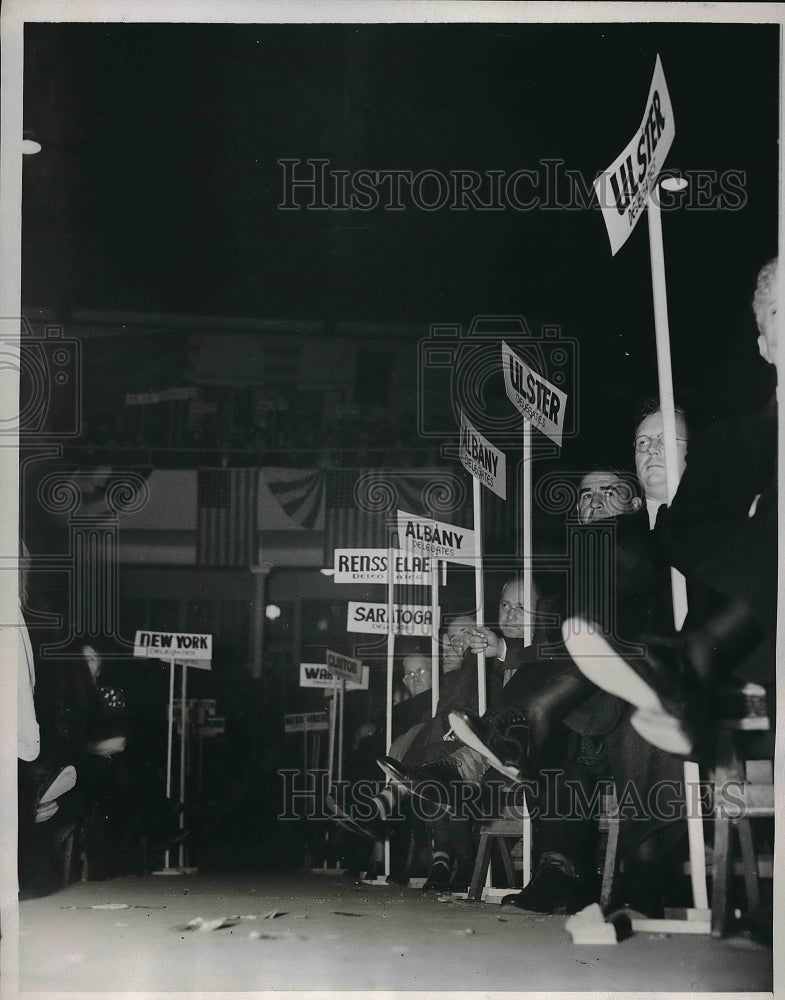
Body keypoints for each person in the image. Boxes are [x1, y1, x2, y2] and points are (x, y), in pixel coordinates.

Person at [564, 257, 778, 758]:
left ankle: (682, 665)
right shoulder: (737, 445)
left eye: (666, 443)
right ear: (764, 345)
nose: (653, 454)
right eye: (776, 312)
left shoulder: (740, 463)